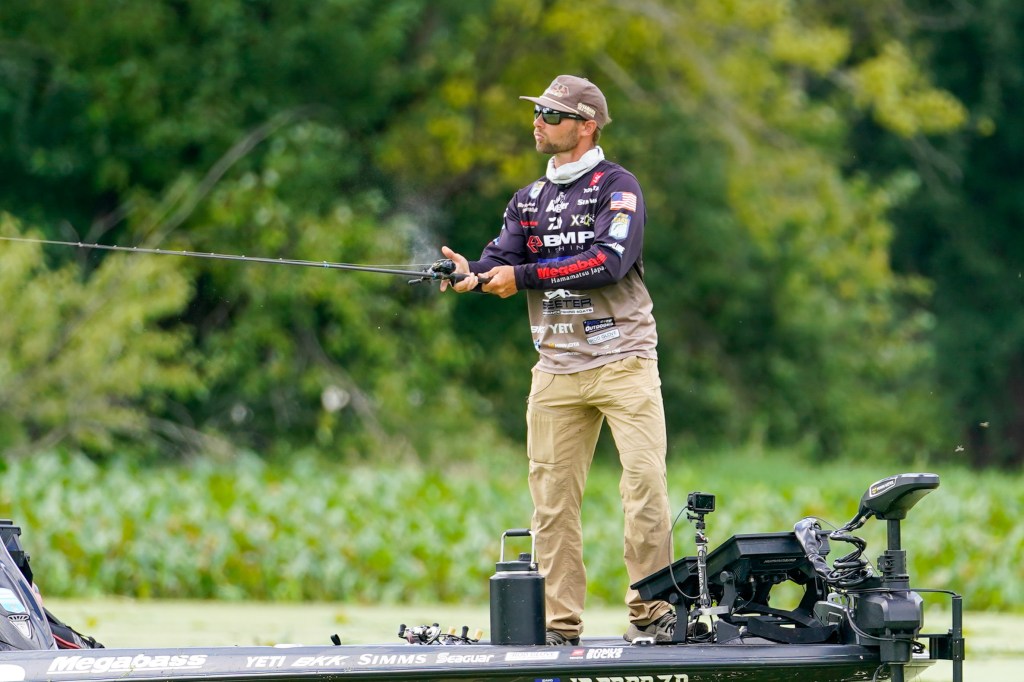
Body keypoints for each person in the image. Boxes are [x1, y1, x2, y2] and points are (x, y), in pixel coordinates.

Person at [440, 75, 676, 645]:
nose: (538, 123)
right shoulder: (527, 199)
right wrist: (469, 273)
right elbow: (499, 258)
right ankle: (558, 624)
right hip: (555, 371)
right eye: (538, 112)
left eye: (551, 114)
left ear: (586, 125)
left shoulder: (618, 186)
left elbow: (608, 261)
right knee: (551, 505)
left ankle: (653, 612)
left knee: (645, 489)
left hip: (624, 360)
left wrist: (520, 276)